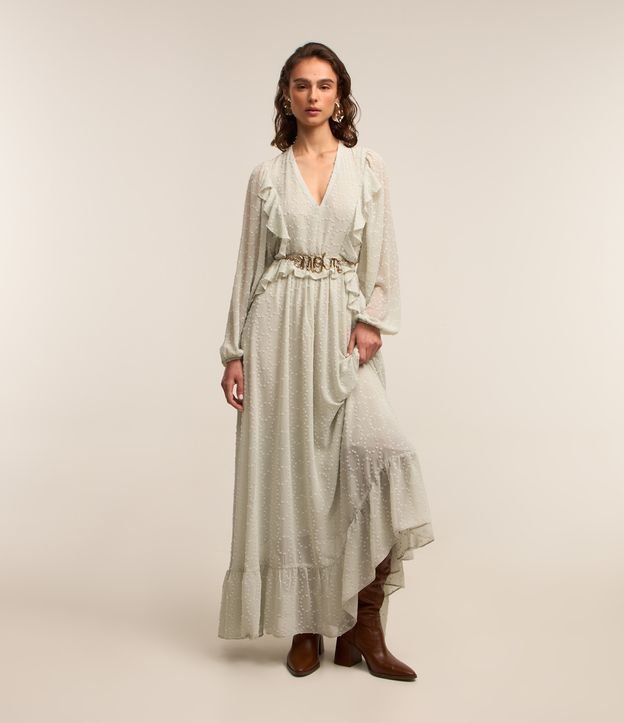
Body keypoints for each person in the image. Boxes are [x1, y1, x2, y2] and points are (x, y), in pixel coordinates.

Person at [218, 41, 434, 681]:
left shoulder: (367, 166)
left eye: (324, 85)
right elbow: (247, 266)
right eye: (301, 85)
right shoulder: (266, 175)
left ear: (340, 97)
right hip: (277, 331)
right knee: (292, 480)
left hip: (340, 326)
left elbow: (383, 253)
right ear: (286, 96)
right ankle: (306, 627)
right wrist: (234, 352)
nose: (312, 96)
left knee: (382, 453)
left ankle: (364, 625)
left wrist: (372, 319)